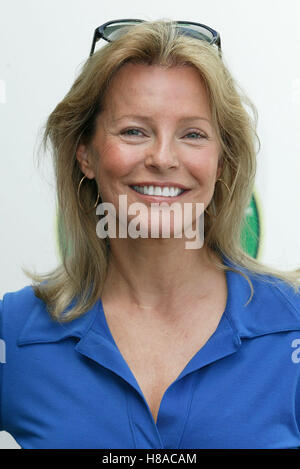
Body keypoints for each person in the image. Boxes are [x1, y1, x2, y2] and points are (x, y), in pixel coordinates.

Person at [1, 19, 300, 450]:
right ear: (85, 153)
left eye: (192, 134)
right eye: (133, 131)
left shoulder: (291, 331)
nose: (162, 158)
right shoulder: (15, 333)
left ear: (221, 162)